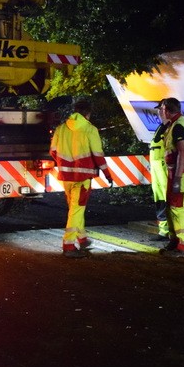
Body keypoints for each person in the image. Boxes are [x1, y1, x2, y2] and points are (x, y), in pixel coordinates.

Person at [50, 99, 113, 258]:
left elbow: (53, 151)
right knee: (77, 209)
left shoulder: (61, 128)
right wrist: (107, 174)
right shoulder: (90, 129)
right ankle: (69, 245)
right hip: (83, 177)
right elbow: (98, 155)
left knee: (74, 209)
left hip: (66, 176)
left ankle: (82, 238)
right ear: (88, 113)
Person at [157, 98, 184, 257]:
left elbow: (182, 152)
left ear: (166, 110)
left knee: (178, 209)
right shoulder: (174, 125)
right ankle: (175, 240)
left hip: (181, 174)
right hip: (175, 173)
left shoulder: (178, 126)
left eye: (162, 109)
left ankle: (183, 245)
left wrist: (178, 179)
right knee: (171, 208)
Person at [148, 102, 171, 241]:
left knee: (166, 198)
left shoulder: (170, 127)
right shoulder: (163, 126)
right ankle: (164, 231)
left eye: (161, 110)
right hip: (157, 167)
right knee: (160, 199)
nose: (159, 113)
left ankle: (170, 231)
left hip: (163, 167)